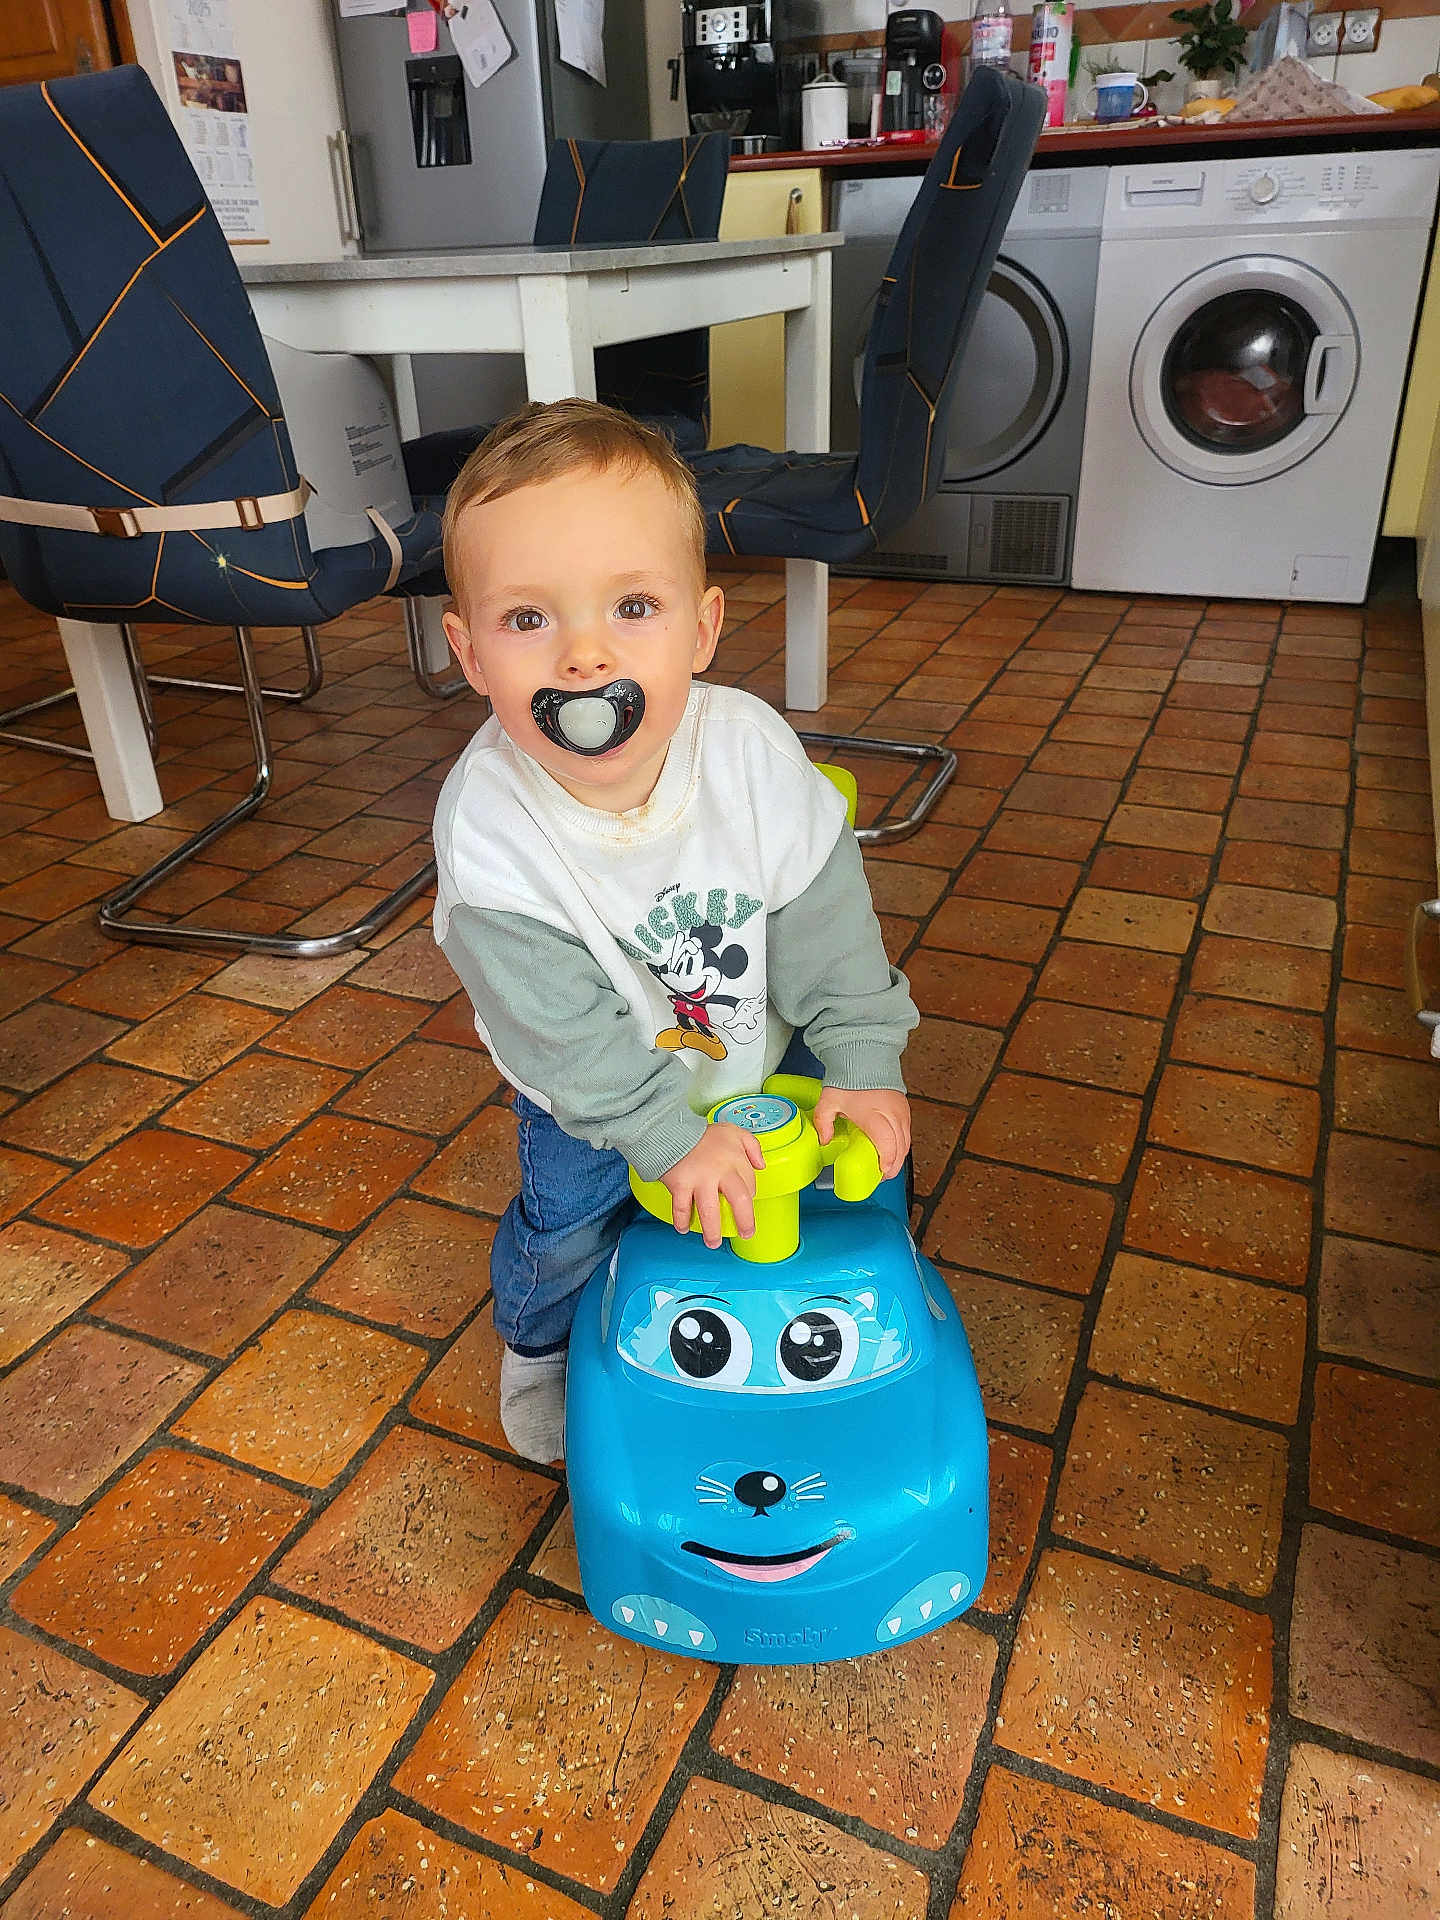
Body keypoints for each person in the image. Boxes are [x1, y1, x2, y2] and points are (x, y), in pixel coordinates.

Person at [432, 399, 918, 1462]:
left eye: (633, 607)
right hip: (593, 1095)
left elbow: (824, 914)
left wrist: (864, 1056)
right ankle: (540, 1345)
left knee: (868, 1160)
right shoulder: (491, 831)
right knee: (569, 1227)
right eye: (529, 621)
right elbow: (560, 1029)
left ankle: (870, 1295)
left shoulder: (747, 752)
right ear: (469, 654)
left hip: (760, 1045)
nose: (583, 655)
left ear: (700, 630)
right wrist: (661, 1136)